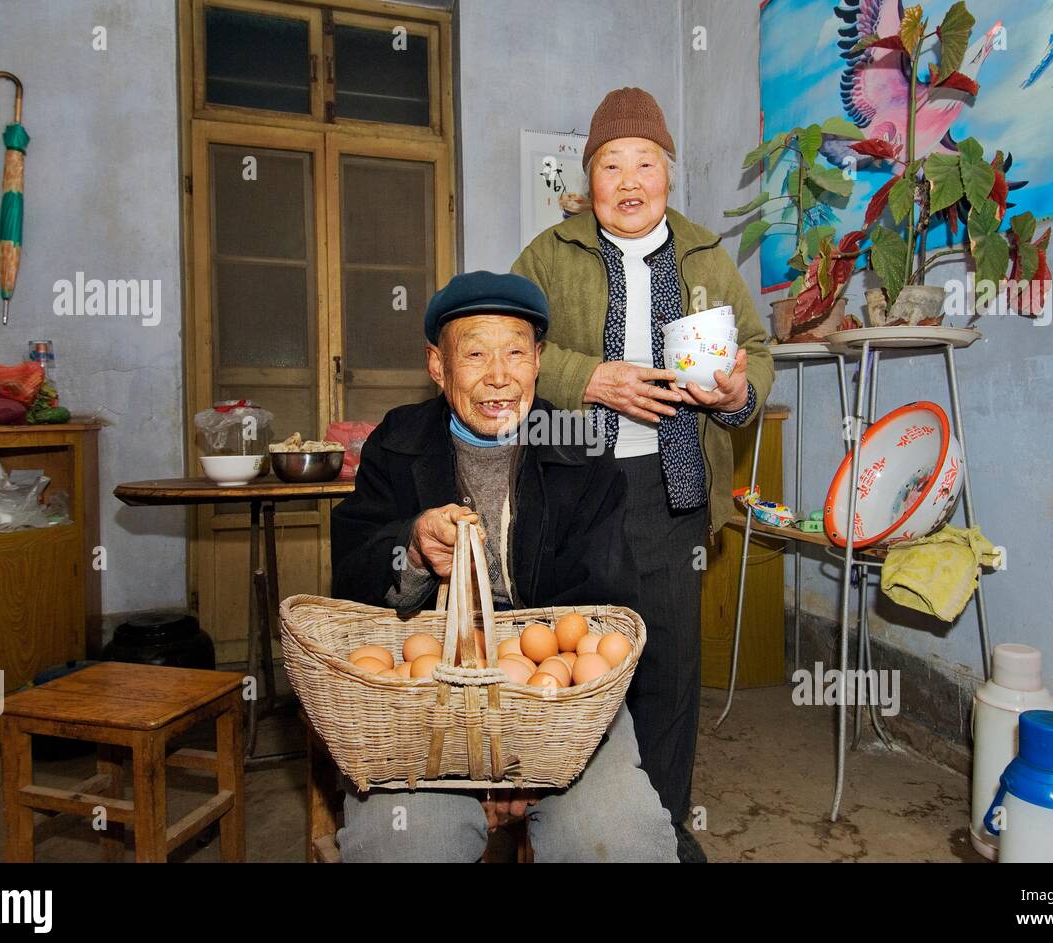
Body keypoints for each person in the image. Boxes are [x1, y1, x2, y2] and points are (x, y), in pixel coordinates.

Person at [329, 270, 677, 862]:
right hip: (426, 697)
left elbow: (606, 604)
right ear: (438, 367)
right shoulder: (397, 442)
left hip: (561, 707)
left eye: (515, 351)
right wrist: (411, 549)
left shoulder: (581, 446)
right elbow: (351, 578)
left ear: (539, 359)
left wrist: (531, 752)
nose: (498, 376)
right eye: (475, 354)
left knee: (622, 839)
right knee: (404, 844)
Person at [512, 86, 775, 861]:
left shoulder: (703, 255)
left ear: (668, 172)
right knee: (574, 665)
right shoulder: (548, 253)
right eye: (611, 164)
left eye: (646, 163)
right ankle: (572, 828)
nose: (630, 180)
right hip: (574, 494)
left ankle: (658, 833)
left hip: (672, 493)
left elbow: (756, 349)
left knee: (667, 671)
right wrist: (589, 378)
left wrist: (738, 390)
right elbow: (512, 349)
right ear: (589, 178)